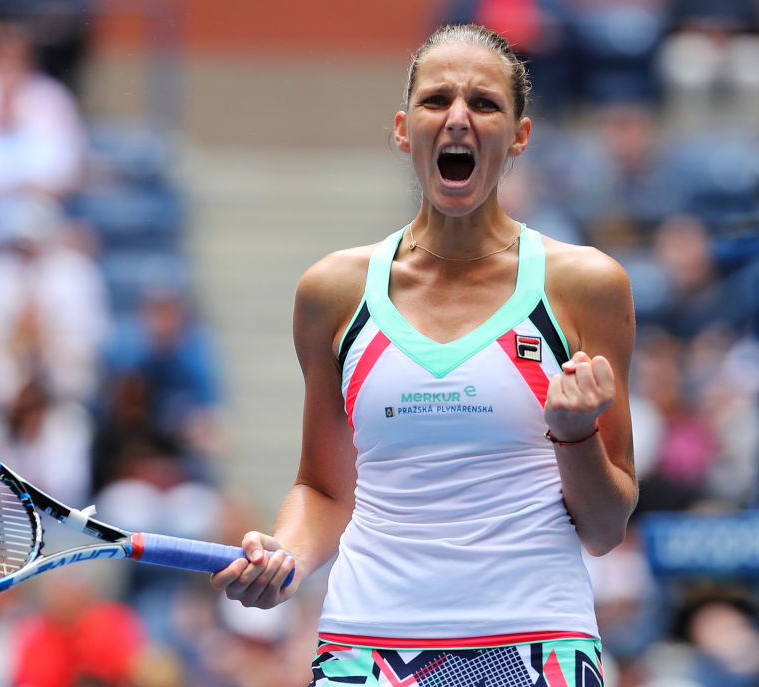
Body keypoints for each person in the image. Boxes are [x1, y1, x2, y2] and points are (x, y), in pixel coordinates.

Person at [212, 24, 637, 686]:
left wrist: (575, 433)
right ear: (404, 128)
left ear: (520, 135)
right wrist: (286, 558)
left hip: (538, 638)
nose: (459, 118)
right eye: (437, 100)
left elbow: (607, 526)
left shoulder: (585, 284)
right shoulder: (332, 290)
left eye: (485, 103)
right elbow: (324, 487)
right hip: (365, 644)